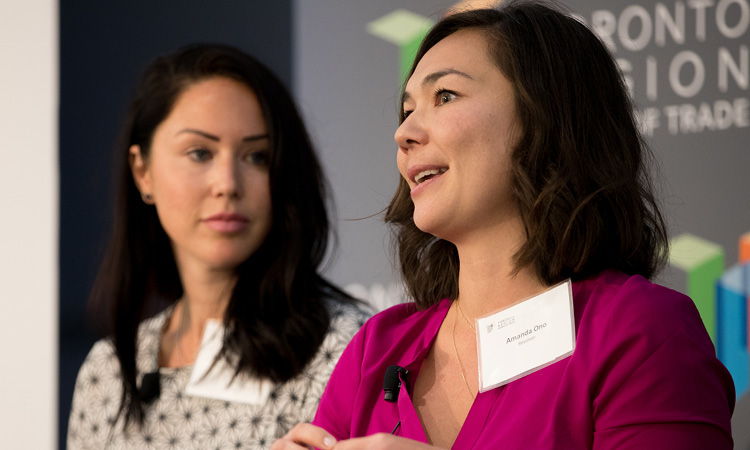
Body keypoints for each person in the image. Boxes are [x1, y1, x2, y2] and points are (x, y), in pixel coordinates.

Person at [273, 2, 735, 449]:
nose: (404, 132)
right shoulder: (376, 349)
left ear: (547, 118)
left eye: (445, 96)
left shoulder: (641, 329)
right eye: (407, 110)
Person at [67, 44, 370, 449]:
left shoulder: (345, 349)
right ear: (143, 172)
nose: (227, 183)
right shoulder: (108, 371)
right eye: (200, 153)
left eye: (257, 156)